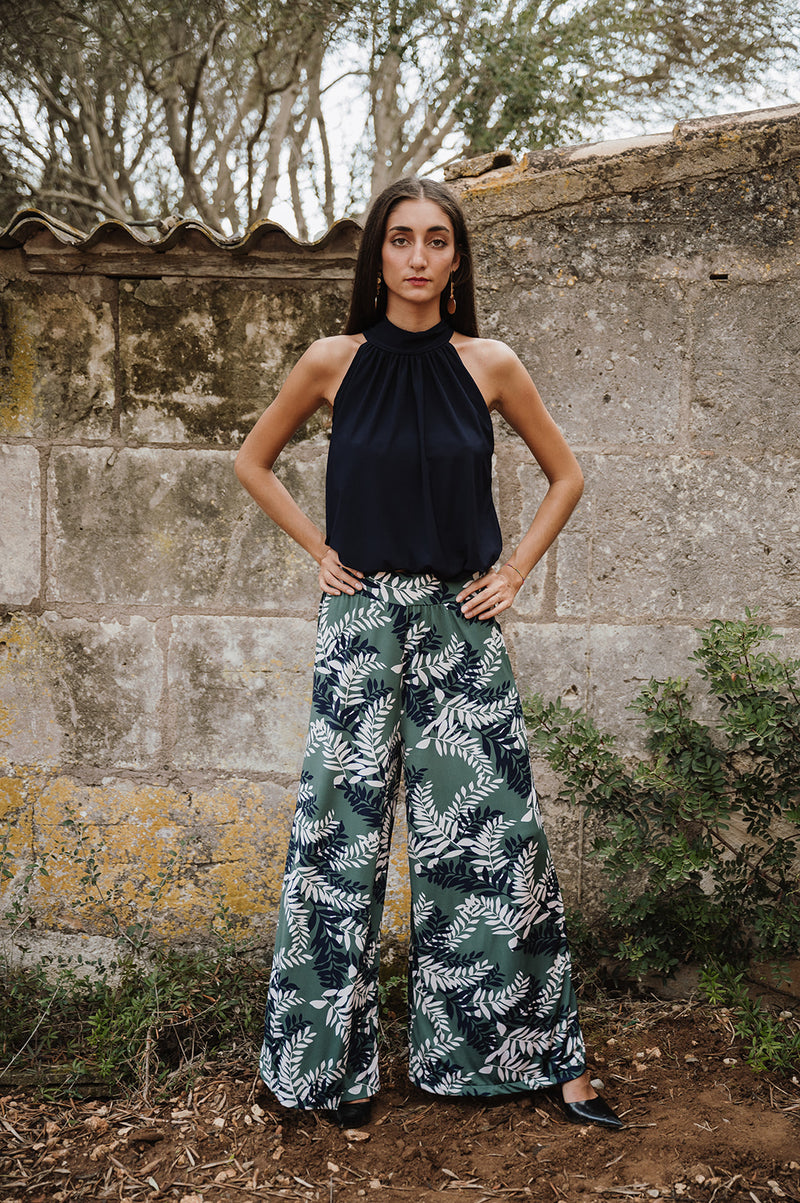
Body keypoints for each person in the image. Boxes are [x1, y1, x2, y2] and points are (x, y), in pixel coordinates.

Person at [234, 176, 623, 1132]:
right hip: (361, 620)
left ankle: (528, 1055)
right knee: (338, 839)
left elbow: (566, 474)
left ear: (457, 257)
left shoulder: (490, 363)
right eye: (399, 239)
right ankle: (321, 1071)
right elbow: (251, 459)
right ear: (378, 256)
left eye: (436, 239)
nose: (416, 256)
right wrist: (319, 552)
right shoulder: (331, 360)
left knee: (496, 838)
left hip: (461, 623)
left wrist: (514, 569)